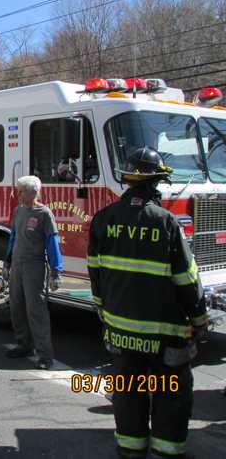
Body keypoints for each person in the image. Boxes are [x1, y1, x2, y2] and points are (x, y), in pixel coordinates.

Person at [88, 147, 208, 459]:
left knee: (129, 390)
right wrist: (199, 319)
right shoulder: (166, 223)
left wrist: (105, 311)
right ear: (156, 183)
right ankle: (167, 450)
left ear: (128, 181)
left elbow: (96, 273)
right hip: (165, 333)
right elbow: (186, 279)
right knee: (171, 393)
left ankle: (130, 448)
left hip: (121, 332)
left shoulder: (103, 219)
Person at [3, 175, 63, 370]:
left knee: (35, 310)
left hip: (34, 266)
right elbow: (13, 237)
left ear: (32, 193)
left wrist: (56, 271)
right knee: (16, 306)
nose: (16, 194)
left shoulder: (44, 214)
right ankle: (24, 344)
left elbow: (52, 244)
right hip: (17, 266)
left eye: (20, 191)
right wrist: (7, 262)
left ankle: (45, 356)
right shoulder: (18, 211)